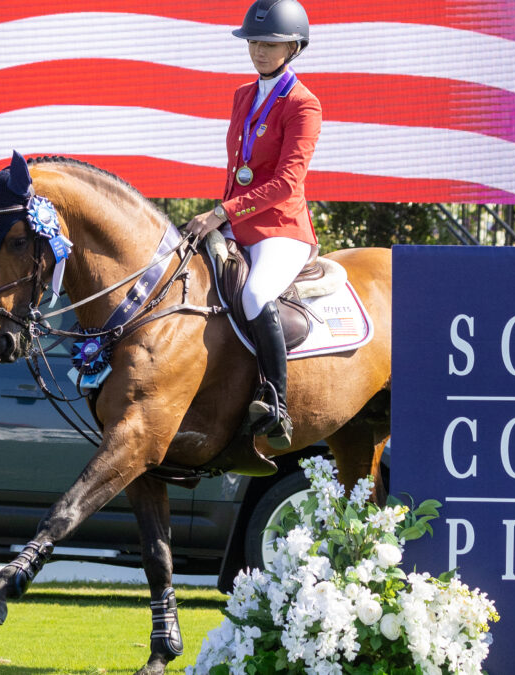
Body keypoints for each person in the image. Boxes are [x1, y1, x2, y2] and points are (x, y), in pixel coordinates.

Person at [185, 0, 321, 451]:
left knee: (255, 293)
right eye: (254, 42)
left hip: (281, 228)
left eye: (270, 43)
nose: (259, 51)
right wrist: (219, 218)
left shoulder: (303, 104)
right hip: (237, 222)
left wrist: (221, 213)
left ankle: (276, 403)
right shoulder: (243, 95)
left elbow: (286, 182)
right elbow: (238, 170)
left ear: (293, 47)